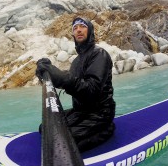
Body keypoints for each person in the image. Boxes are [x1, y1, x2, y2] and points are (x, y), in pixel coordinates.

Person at [36, 16, 116, 152]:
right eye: (75, 28)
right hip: (80, 112)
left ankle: (106, 128)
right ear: (72, 34)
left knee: (60, 143)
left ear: (90, 30)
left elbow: (91, 90)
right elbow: (72, 81)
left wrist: (61, 78)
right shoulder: (76, 61)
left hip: (100, 113)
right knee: (44, 127)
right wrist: (46, 74)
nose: (78, 30)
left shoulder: (99, 54)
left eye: (82, 26)